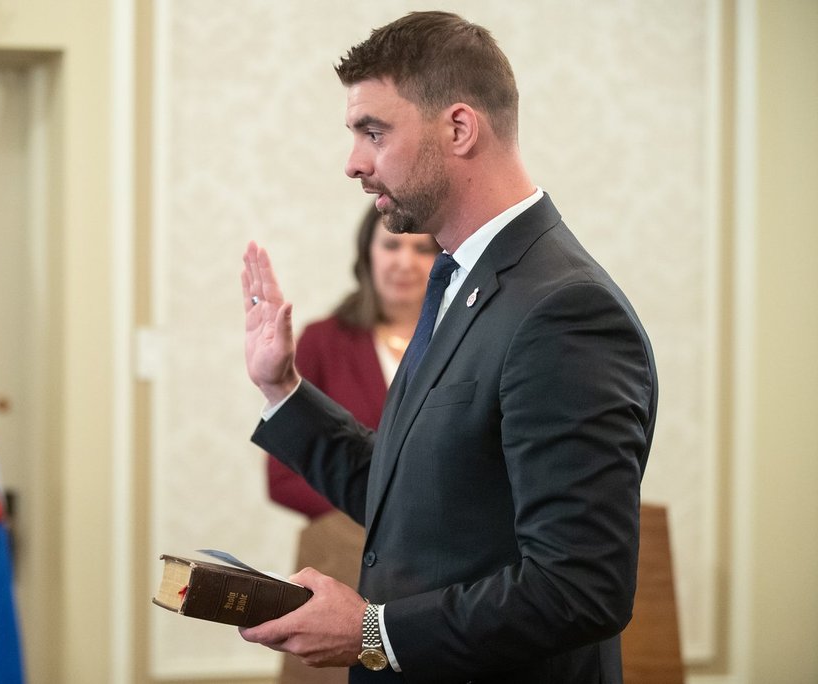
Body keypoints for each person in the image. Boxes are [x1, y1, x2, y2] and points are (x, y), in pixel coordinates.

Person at [238, 10, 658, 684]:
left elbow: (581, 587)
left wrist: (371, 631)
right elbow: (413, 495)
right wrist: (282, 389)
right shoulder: (458, 276)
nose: (353, 162)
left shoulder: (565, 310)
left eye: (374, 132)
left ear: (459, 128)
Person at [267, 205, 439, 684]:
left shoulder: (458, 340)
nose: (405, 260)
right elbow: (282, 477)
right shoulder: (324, 340)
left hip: (438, 581)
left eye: (422, 248)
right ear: (367, 255)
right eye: (391, 244)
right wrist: (378, 514)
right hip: (341, 564)